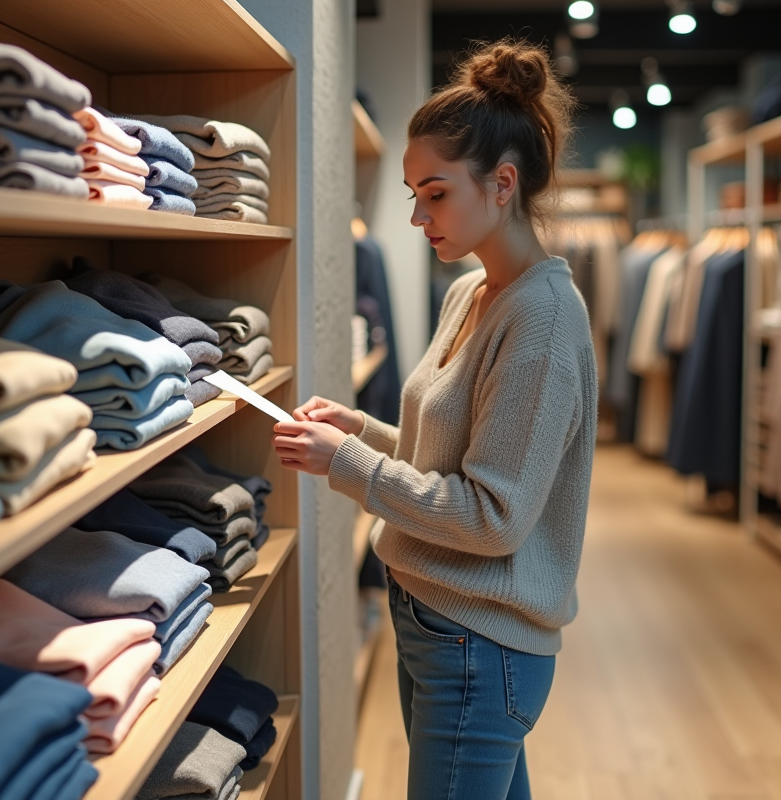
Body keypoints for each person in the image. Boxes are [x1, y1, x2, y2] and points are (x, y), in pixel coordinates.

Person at [271, 38, 598, 800]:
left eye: (436, 193)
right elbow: (450, 457)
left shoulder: (544, 319)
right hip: (434, 620)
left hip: (479, 646)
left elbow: (492, 515)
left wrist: (345, 464)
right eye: (414, 193)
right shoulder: (470, 293)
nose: (417, 215)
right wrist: (361, 431)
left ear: (503, 184)